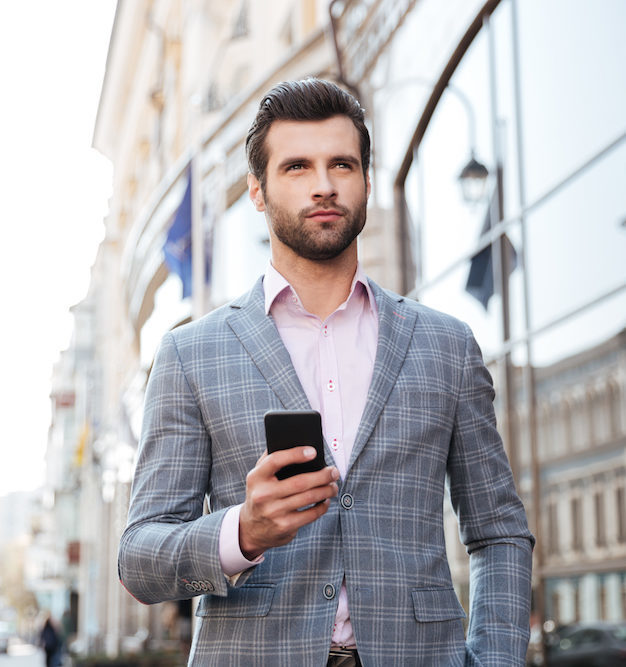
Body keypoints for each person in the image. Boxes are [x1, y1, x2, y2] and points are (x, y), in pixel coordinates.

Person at [119, 78, 534, 666]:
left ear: (366, 180)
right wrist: (242, 532)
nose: (322, 186)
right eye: (295, 167)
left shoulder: (447, 346)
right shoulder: (191, 354)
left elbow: (499, 533)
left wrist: (495, 661)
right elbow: (139, 559)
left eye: (341, 164)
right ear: (256, 191)